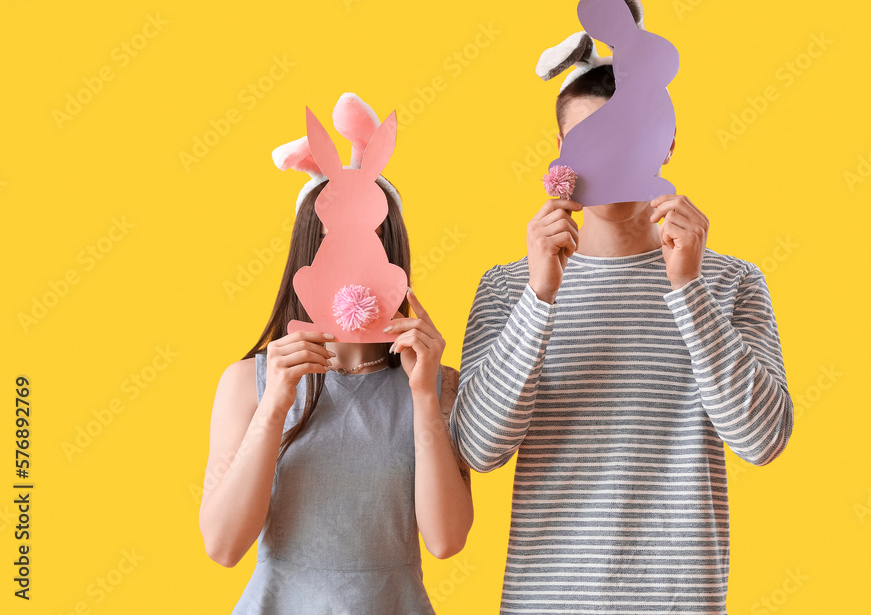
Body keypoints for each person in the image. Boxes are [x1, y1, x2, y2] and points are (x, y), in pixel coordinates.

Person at [449, 62, 793, 613]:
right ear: (561, 149)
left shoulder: (732, 282)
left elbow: (763, 440)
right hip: (545, 601)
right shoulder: (508, 286)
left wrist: (687, 287)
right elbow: (479, 449)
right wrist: (539, 297)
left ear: (666, 142)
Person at [198, 172, 473, 614]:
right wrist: (274, 409)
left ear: (395, 260)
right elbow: (224, 545)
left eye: (372, 242)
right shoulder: (247, 383)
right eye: (332, 242)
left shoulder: (437, 385)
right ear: (306, 260)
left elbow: (446, 541)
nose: (353, 262)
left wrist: (423, 397)